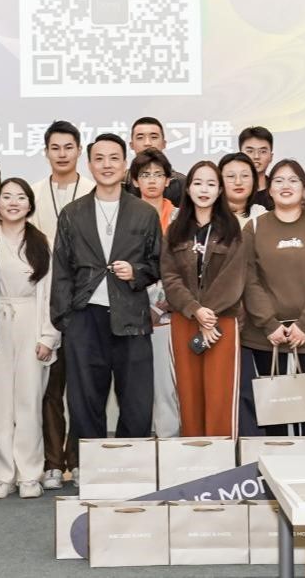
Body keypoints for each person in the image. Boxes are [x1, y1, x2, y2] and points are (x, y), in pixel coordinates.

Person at [51, 133, 162, 449]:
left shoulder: (144, 213)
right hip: (85, 319)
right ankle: (91, 466)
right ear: (89, 165)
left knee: (137, 403)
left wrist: (136, 272)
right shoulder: (72, 213)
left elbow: (158, 264)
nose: (107, 165)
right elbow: (62, 271)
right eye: (99, 159)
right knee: (84, 402)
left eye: (114, 158)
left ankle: (132, 465)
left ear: (125, 164)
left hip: (131, 318)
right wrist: (66, 321)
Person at [238, 159, 305, 453]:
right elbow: (248, 278)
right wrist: (269, 324)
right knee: (275, 411)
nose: (286, 186)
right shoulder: (254, 228)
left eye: (293, 180)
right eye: (279, 180)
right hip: (266, 337)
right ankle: (278, 467)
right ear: (269, 190)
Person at [28, 120, 93, 491]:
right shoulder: (35, 193)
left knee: (83, 388)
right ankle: (53, 461)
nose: (62, 154)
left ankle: (79, 459)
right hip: (46, 302)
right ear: (46, 151)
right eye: (55, 147)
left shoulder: (94, 190)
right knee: (51, 388)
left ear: (79, 150)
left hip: (85, 302)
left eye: (69, 147)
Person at [0, 178, 59, 499]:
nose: (13, 202)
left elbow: (52, 293)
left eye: (20, 197)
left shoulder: (42, 242)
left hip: (32, 321)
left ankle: (30, 473)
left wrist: (48, 336)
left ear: (30, 204)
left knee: (29, 401)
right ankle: (1, 474)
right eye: (6, 197)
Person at [163, 161, 246, 438]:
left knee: (220, 396)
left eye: (211, 184)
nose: (204, 189)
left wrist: (208, 315)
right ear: (188, 189)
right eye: (198, 183)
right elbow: (170, 277)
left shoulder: (232, 230)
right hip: (185, 319)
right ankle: (194, 457)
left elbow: (234, 278)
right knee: (188, 396)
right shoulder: (175, 231)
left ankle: (221, 457)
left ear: (220, 190)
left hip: (221, 322)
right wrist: (195, 310)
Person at [131, 147, 180, 438]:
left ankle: (168, 441)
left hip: (170, 311)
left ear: (168, 180)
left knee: (167, 382)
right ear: (134, 180)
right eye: (145, 174)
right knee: (135, 385)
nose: (151, 180)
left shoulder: (180, 218)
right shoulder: (124, 215)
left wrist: (164, 304)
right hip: (132, 311)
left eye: (158, 174)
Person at [125, 117, 186, 204]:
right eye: (140, 137)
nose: (147, 143)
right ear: (131, 145)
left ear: (164, 144)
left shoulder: (181, 183)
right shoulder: (121, 183)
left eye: (153, 137)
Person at [219, 152, 265, 222]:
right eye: (231, 176)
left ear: (254, 179)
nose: (238, 182)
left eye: (245, 175)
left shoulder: (261, 214)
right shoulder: (209, 214)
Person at [238, 126, 275, 210]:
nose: (256, 156)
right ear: (240, 155)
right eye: (250, 151)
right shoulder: (230, 191)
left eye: (263, 151)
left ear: (271, 157)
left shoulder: (278, 191)